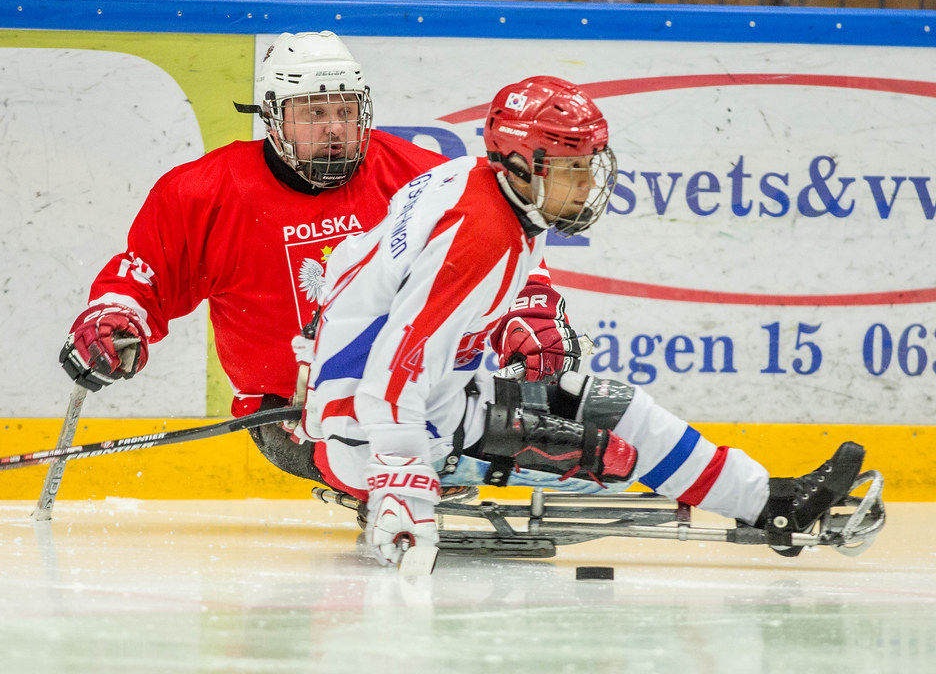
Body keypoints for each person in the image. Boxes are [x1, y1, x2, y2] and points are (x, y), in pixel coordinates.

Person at [296, 75, 868, 567]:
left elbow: (360, 276)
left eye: (588, 164)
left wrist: (522, 308)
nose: (590, 182)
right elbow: (393, 377)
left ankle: (771, 500)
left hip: (417, 402)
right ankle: (768, 506)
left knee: (618, 406)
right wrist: (402, 487)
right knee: (613, 448)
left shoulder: (468, 181)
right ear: (521, 164)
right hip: (375, 436)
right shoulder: (481, 237)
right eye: (572, 167)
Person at [58, 31, 578, 485]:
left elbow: (499, 249)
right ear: (272, 116)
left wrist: (526, 307)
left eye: (345, 112)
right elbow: (142, 280)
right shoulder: (203, 193)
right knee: (398, 447)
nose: (334, 128)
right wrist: (115, 318)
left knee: (560, 423)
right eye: (313, 112)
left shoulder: (421, 178)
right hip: (288, 411)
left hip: (418, 389)